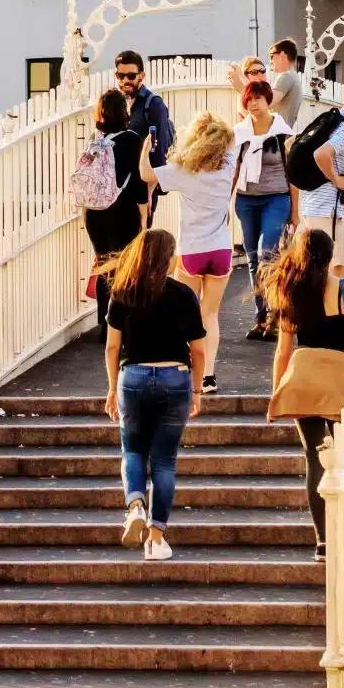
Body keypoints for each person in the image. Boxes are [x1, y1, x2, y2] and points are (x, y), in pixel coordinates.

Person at [263, 228, 344, 559]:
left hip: (302, 377)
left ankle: (323, 540)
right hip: (338, 380)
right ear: (330, 258)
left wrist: (276, 393)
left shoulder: (291, 289)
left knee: (315, 458)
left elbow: (282, 351)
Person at [102, 229, 206, 561]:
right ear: (170, 259)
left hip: (132, 376)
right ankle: (156, 539)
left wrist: (110, 388)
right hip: (175, 377)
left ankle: (135, 505)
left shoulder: (123, 292)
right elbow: (199, 350)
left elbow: (112, 347)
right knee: (164, 461)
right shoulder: (184, 294)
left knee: (132, 449)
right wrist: (197, 390)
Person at [139, 111, 239, 394]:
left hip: (192, 250)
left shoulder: (183, 171)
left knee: (186, 312)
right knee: (210, 315)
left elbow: (146, 175)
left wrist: (145, 151)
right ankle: (208, 376)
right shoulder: (228, 165)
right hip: (220, 248)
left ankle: (185, 369)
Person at [82, 88, 154, 331]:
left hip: (94, 211)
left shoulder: (96, 140)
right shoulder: (132, 139)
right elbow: (138, 182)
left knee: (104, 264)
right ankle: (120, 325)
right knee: (124, 266)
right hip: (121, 210)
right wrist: (144, 216)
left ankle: (104, 324)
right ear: (124, 111)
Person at [233, 78, 295, 340]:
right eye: (249, 99)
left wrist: (296, 212)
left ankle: (274, 313)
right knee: (252, 258)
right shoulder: (239, 133)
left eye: (258, 98)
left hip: (276, 198)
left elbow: (293, 175)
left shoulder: (283, 132)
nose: (254, 103)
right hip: (246, 199)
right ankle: (261, 316)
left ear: (269, 101)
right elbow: (233, 168)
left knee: (267, 252)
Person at [296, 78, 344, 266]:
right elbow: (321, 154)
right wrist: (336, 179)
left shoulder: (334, 120)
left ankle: (337, 296)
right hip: (323, 209)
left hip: (323, 207)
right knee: (322, 270)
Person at [115, 49, 176, 164]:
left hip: (146, 179)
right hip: (126, 179)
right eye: (121, 76)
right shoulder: (118, 104)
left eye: (131, 76)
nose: (125, 80)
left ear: (142, 75)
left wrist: (153, 181)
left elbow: (160, 154)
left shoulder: (154, 105)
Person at [268, 38, 305, 128]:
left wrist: (241, 87)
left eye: (271, 56)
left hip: (277, 135)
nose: (270, 61)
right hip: (284, 133)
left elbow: (267, 104)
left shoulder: (286, 77)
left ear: (282, 55)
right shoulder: (293, 77)